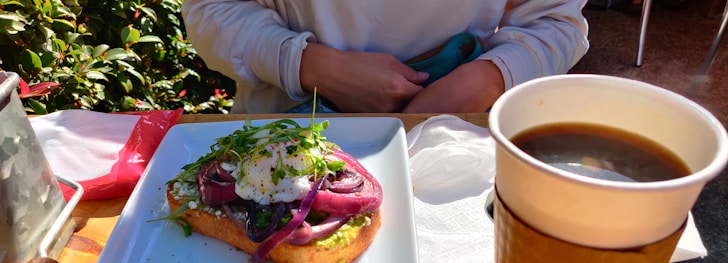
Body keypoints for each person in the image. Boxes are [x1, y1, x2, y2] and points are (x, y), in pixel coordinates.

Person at [181, 1, 589, 114]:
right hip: (280, 131)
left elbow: (556, 22)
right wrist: (312, 66)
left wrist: (484, 80)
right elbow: (211, 8)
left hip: (451, 147)